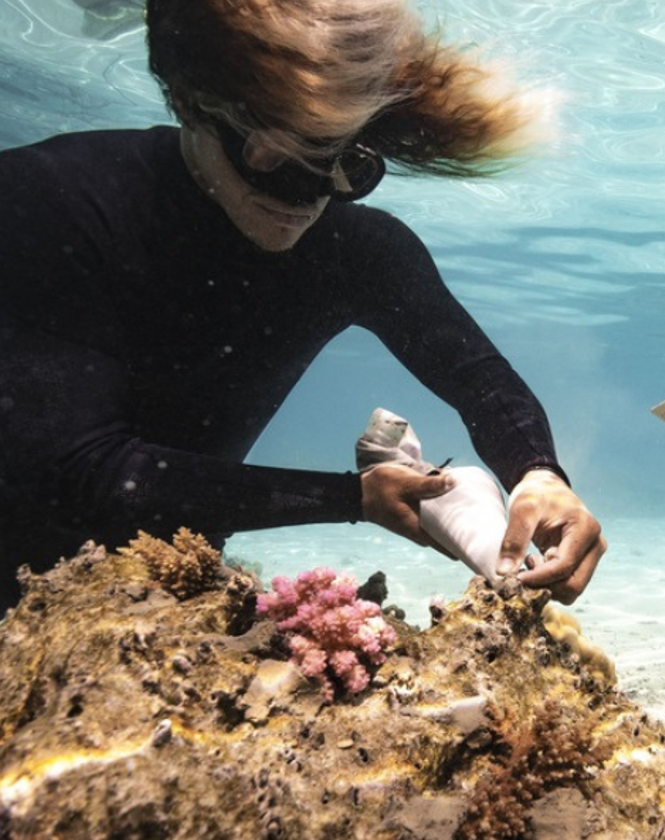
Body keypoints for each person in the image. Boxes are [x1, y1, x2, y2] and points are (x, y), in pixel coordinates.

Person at [0, 0, 606, 612]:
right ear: (193, 102)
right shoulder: (47, 203)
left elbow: (478, 378)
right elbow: (77, 473)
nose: (308, 196)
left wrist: (539, 474)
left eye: (343, 162)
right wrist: (354, 498)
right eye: (275, 156)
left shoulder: (354, 249)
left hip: (168, 596)